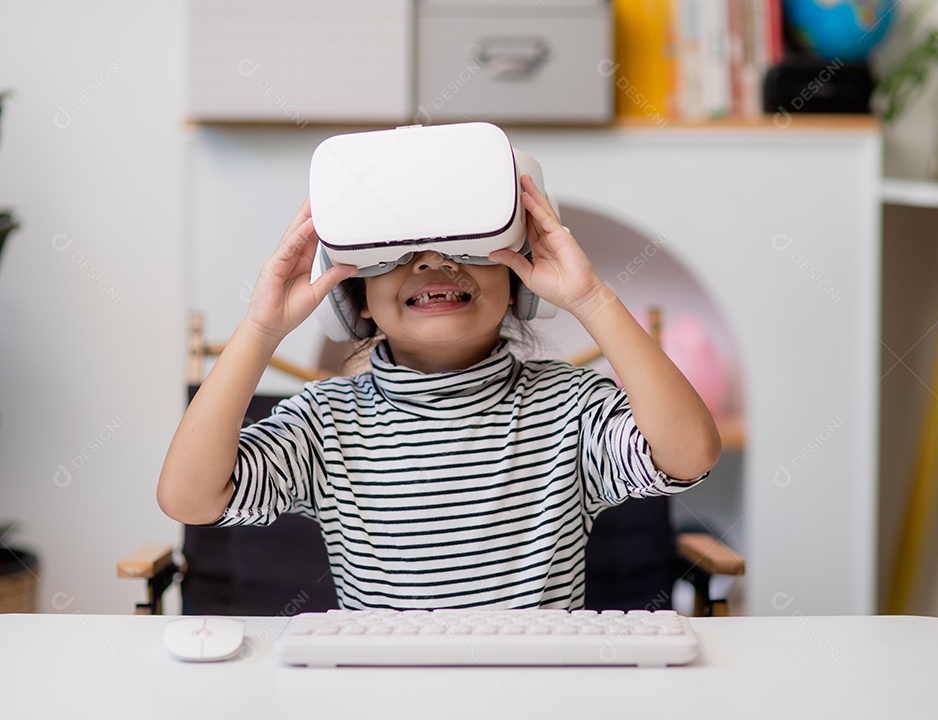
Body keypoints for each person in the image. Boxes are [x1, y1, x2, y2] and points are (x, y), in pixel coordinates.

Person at [157, 174, 722, 610]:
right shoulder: (322, 422)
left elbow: (688, 455)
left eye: (468, 242)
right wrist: (262, 328)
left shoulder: (571, 406)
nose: (433, 260)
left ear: (518, 281)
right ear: (355, 297)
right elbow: (190, 498)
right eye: (398, 251)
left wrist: (592, 297)